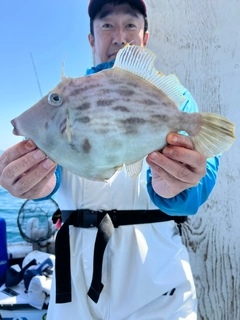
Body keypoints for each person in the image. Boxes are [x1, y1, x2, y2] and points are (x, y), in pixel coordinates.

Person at [0, 0, 220, 319]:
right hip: (75, 298)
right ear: (91, 38)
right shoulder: (69, 99)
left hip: (158, 297)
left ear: (144, 37)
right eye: (107, 25)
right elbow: (52, 177)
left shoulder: (176, 101)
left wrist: (181, 186)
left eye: (130, 25)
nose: (119, 37)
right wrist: (33, 181)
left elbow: (199, 182)